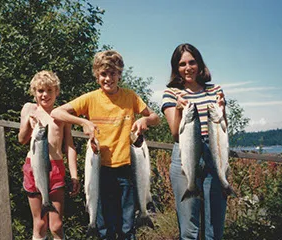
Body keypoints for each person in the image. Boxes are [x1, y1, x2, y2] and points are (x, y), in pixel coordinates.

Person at [51, 50, 160, 240]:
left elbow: (155, 117)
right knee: (104, 227)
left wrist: (145, 121)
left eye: (112, 73)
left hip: (128, 170)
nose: (108, 78)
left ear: (120, 74)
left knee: (127, 226)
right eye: (103, 74)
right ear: (96, 76)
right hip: (99, 172)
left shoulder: (131, 97)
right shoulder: (90, 98)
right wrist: (83, 122)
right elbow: (57, 113)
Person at [161, 43, 227, 239]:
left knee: (214, 228)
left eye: (192, 62)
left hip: (214, 152)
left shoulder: (215, 90)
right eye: (182, 64)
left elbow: (223, 128)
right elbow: (175, 133)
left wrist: (223, 109)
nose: (188, 68)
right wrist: (180, 109)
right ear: (176, 68)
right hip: (185, 153)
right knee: (189, 229)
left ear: (199, 64)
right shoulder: (171, 93)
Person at [18, 70, 80, 240]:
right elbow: (22, 139)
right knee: (39, 224)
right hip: (34, 167)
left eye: (49, 91)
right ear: (34, 92)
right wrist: (29, 124)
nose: (45, 95)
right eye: (40, 91)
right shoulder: (29, 108)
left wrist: (74, 175)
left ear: (56, 92)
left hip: (56, 169)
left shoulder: (62, 114)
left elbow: (69, 147)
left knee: (56, 225)